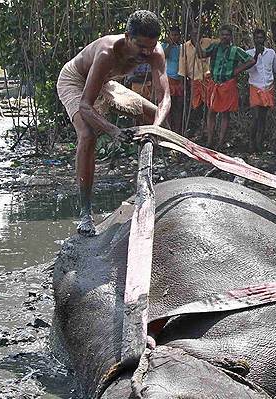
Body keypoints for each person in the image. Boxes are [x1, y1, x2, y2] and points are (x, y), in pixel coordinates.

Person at [56, 10, 171, 236]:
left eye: (151, 46)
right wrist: (114, 131)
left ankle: (154, 183)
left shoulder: (155, 52)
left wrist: (155, 128)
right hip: (75, 82)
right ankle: (85, 212)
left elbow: (164, 98)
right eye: (141, 47)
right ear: (127, 37)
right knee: (88, 135)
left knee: (154, 116)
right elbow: (85, 106)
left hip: (105, 82)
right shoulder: (107, 52)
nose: (146, 53)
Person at [195, 25, 255, 149]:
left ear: (231, 36)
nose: (224, 37)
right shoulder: (215, 47)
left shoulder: (236, 50)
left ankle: (220, 142)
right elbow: (201, 55)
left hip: (228, 84)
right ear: (219, 35)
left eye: (227, 35)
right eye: (222, 34)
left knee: (225, 113)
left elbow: (251, 61)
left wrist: (237, 70)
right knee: (211, 111)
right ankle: (210, 141)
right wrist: (196, 41)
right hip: (215, 83)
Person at [245, 29, 276, 152]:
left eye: (261, 38)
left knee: (263, 118)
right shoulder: (248, 53)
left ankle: (260, 144)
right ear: (253, 39)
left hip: (268, 89)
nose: (259, 40)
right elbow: (249, 70)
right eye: (256, 38)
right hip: (255, 88)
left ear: (264, 39)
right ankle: (251, 143)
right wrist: (256, 56)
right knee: (256, 117)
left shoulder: (271, 53)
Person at [178, 25, 215, 138]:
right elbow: (182, 66)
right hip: (194, 80)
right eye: (193, 34)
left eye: (198, 33)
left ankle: (207, 131)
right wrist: (182, 83)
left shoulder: (209, 42)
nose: (196, 35)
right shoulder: (185, 47)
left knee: (209, 106)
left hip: (207, 79)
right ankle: (196, 129)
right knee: (196, 106)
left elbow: (222, 43)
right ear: (190, 34)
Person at [163, 26, 185, 134]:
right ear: (169, 36)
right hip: (168, 79)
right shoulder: (164, 46)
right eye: (172, 35)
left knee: (178, 107)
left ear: (179, 36)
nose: (174, 37)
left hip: (179, 80)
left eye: (176, 35)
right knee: (168, 107)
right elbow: (164, 56)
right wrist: (170, 45)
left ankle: (178, 130)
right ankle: (168, 130)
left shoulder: (183, 48)